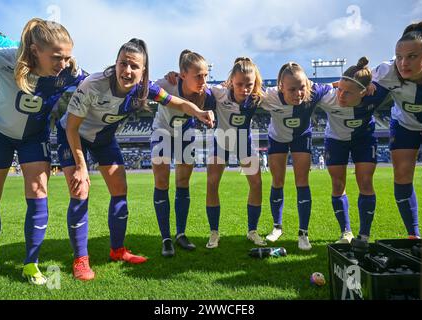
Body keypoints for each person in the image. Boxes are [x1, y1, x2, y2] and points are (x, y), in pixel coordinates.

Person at [57, 39, 214, 280]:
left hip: (104, 138)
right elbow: (71, 127)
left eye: (134, 66)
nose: (127, 71)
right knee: (80, 191)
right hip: (73, 135)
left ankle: (118, 250)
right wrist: (81, 166)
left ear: (143, 72)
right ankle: (81, 259)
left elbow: (177, 102)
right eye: (123, 64)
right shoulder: (93, 85)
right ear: (116, 63)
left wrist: (200, 112)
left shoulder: (145, 89)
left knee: (120, 189)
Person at [0, 18, 85, 285]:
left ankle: (31, 263)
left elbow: (100, 83)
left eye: (67, 57)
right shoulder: (3, 57)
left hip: (33, 138)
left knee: (38, 190)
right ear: (35, 49)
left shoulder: (70, 73)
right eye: (57, 57)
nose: (63, 64)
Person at [317, 57, 390, 243]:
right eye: (340, 89)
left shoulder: (376, 93)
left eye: (348, 92)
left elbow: (393, 64)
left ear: (364, 92)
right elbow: (305, 86)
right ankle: (346, 232)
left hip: (363, 139)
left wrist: (373, 79)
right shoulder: (328, 95)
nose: (340, 95)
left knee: (365, 182)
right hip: (335, 140)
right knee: (338, 185)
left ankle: (364, 235)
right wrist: (333, 84)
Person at [260, 62, 332, 250]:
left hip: (301, 137)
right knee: (278, 181)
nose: (298, 93)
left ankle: (303, 233)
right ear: (281, 87)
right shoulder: (269, 96)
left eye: (302, 87)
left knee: (302, 181)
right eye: (292, 89)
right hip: (277, 138)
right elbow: (247, 86)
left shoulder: (313, 91)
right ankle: (277, 227)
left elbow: (337, 85)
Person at [151, 50, 216, 257]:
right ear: (182, 74)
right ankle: (166, 238)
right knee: (161, 182)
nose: (203, 80)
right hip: (161, 131)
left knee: (183, 182)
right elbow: (145, 87)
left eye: (205, 75)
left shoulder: (206, 94)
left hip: (185, 133)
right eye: (198, 75)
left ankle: (180, 234)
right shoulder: (167, 83)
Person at [372, 21, 422, 238]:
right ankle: (412, 236)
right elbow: (353, 85)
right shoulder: (386, 71)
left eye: (412, 56)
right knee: (402, 174)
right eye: (399, 56)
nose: (403, 63)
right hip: (406, 124)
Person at [205, 57, 266, 249]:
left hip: (244, 142)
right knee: (212, 183)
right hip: (221, 140)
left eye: (249, 84)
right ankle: (214, 232)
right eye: (239, 84)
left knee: (256, 183)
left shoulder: (258, 97)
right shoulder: (219, 93)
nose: (244, 89)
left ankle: (252, 231)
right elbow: (196, 85)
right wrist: (175, 77)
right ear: (231, 81)